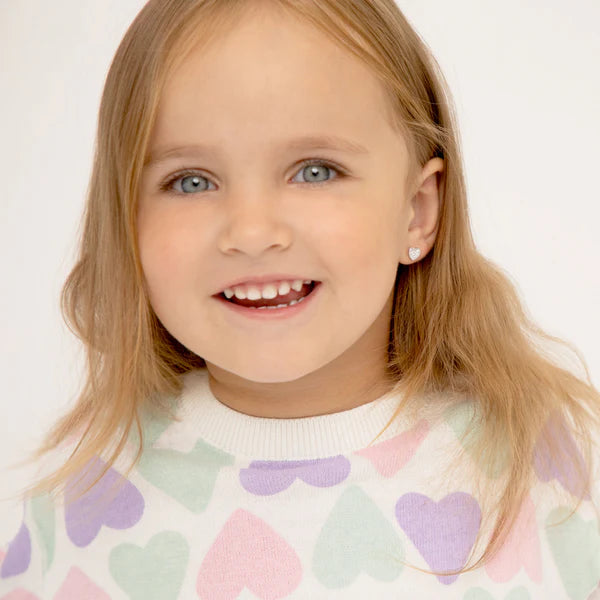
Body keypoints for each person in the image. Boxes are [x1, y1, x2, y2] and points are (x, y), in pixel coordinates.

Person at [1, 0, 599, 598]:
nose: (252, 232)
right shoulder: (83, 501)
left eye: (315, 171)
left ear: (417, 211)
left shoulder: (545, 466)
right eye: (191, 181)